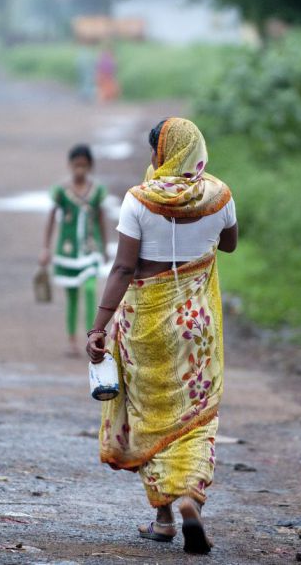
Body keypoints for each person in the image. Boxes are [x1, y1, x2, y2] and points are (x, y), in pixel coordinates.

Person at [86, 117, 237, 555]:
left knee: (149, 415)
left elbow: (122, 269)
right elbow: (228, 245)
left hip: (144, 328)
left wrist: (98, 327)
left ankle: (165, 517)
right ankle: (188, 498)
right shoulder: (221, 194)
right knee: (196, 415)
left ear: (160, 154)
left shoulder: (138, 200)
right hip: (197, 328)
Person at [40, 145, 109, 357]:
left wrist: (105, 247)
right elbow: (52, 217)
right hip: (67, 252)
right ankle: (71, 340)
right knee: (71, 297)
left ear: (90, 166)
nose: (80, 169)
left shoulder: (97, 191)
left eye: (84, 165)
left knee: (89, 291)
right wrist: (46, 247)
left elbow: (101, 218)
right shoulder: (61, 191)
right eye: (76, 165)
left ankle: (92, 337)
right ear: (70, 166)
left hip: (90, 250)